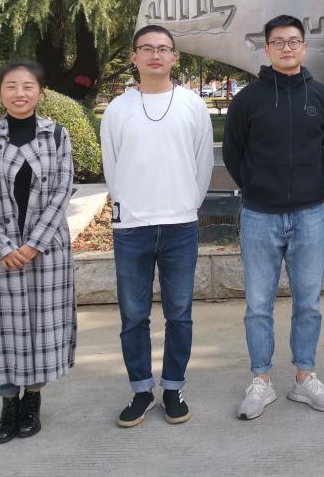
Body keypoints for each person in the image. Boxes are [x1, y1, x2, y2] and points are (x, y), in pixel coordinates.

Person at [222, 14, 324, 420]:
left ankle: (305, 378)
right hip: (260, 216)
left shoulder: (321, 97)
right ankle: (261, 380)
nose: (286, 48)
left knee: (308, 303)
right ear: (267, 48)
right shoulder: (248, 99)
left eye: (293, 41)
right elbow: (233, 152)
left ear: (304, 47)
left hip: (309, 215)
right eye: (278, 42)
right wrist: (256, 185)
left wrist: (312, 185)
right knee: (258, 304)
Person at [100, 24, 214, 428]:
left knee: (179, 313)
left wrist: (187, 203)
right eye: (146, 48)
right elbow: (112, 166)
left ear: (174, 57)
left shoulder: (192, 106)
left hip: (180, 224)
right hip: (132, 227)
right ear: (134, 57)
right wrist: (128, 207)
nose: (155, 55)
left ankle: (173, 388)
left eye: (163, 49)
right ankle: (141, 390)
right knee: (133, 315)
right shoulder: (118, 109)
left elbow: (203, 163)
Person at [0, 60, 76, 444]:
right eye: (11, 86)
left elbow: (62, 192)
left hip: (45, 250)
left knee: (41, 325)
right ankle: (8, 404)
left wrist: (33, 245)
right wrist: (3, 246)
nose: (19, 93)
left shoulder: (56, 136)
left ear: (40, 93)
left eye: (28, 86)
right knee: (1, 329)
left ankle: (33, 401)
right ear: (0, 93)